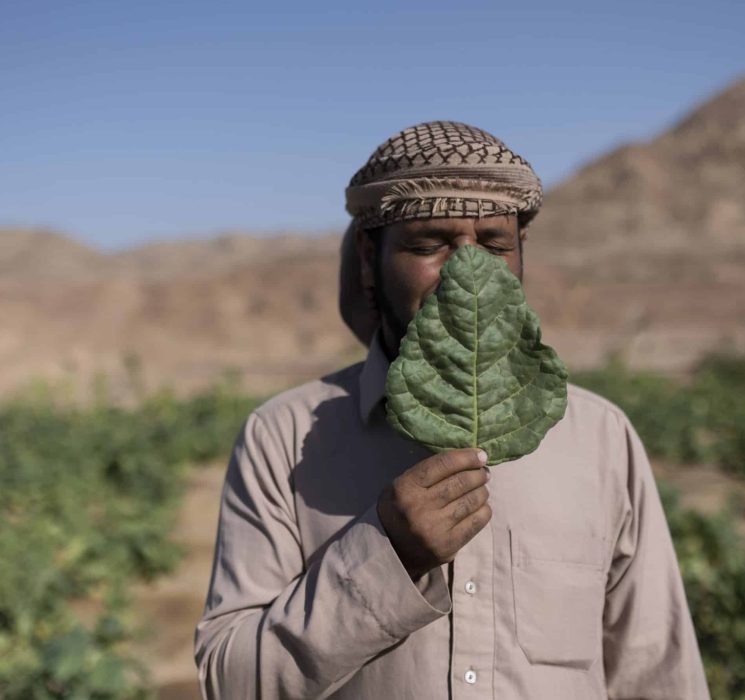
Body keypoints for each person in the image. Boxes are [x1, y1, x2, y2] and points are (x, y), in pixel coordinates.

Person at [194, 121, 710, 699]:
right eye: (428, 245)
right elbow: (229, 681)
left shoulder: (600, 439)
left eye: (495, 245)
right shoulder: (282, 438)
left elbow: (659, 676)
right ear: (367, 258)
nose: (469, 272)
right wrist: (386, 553)